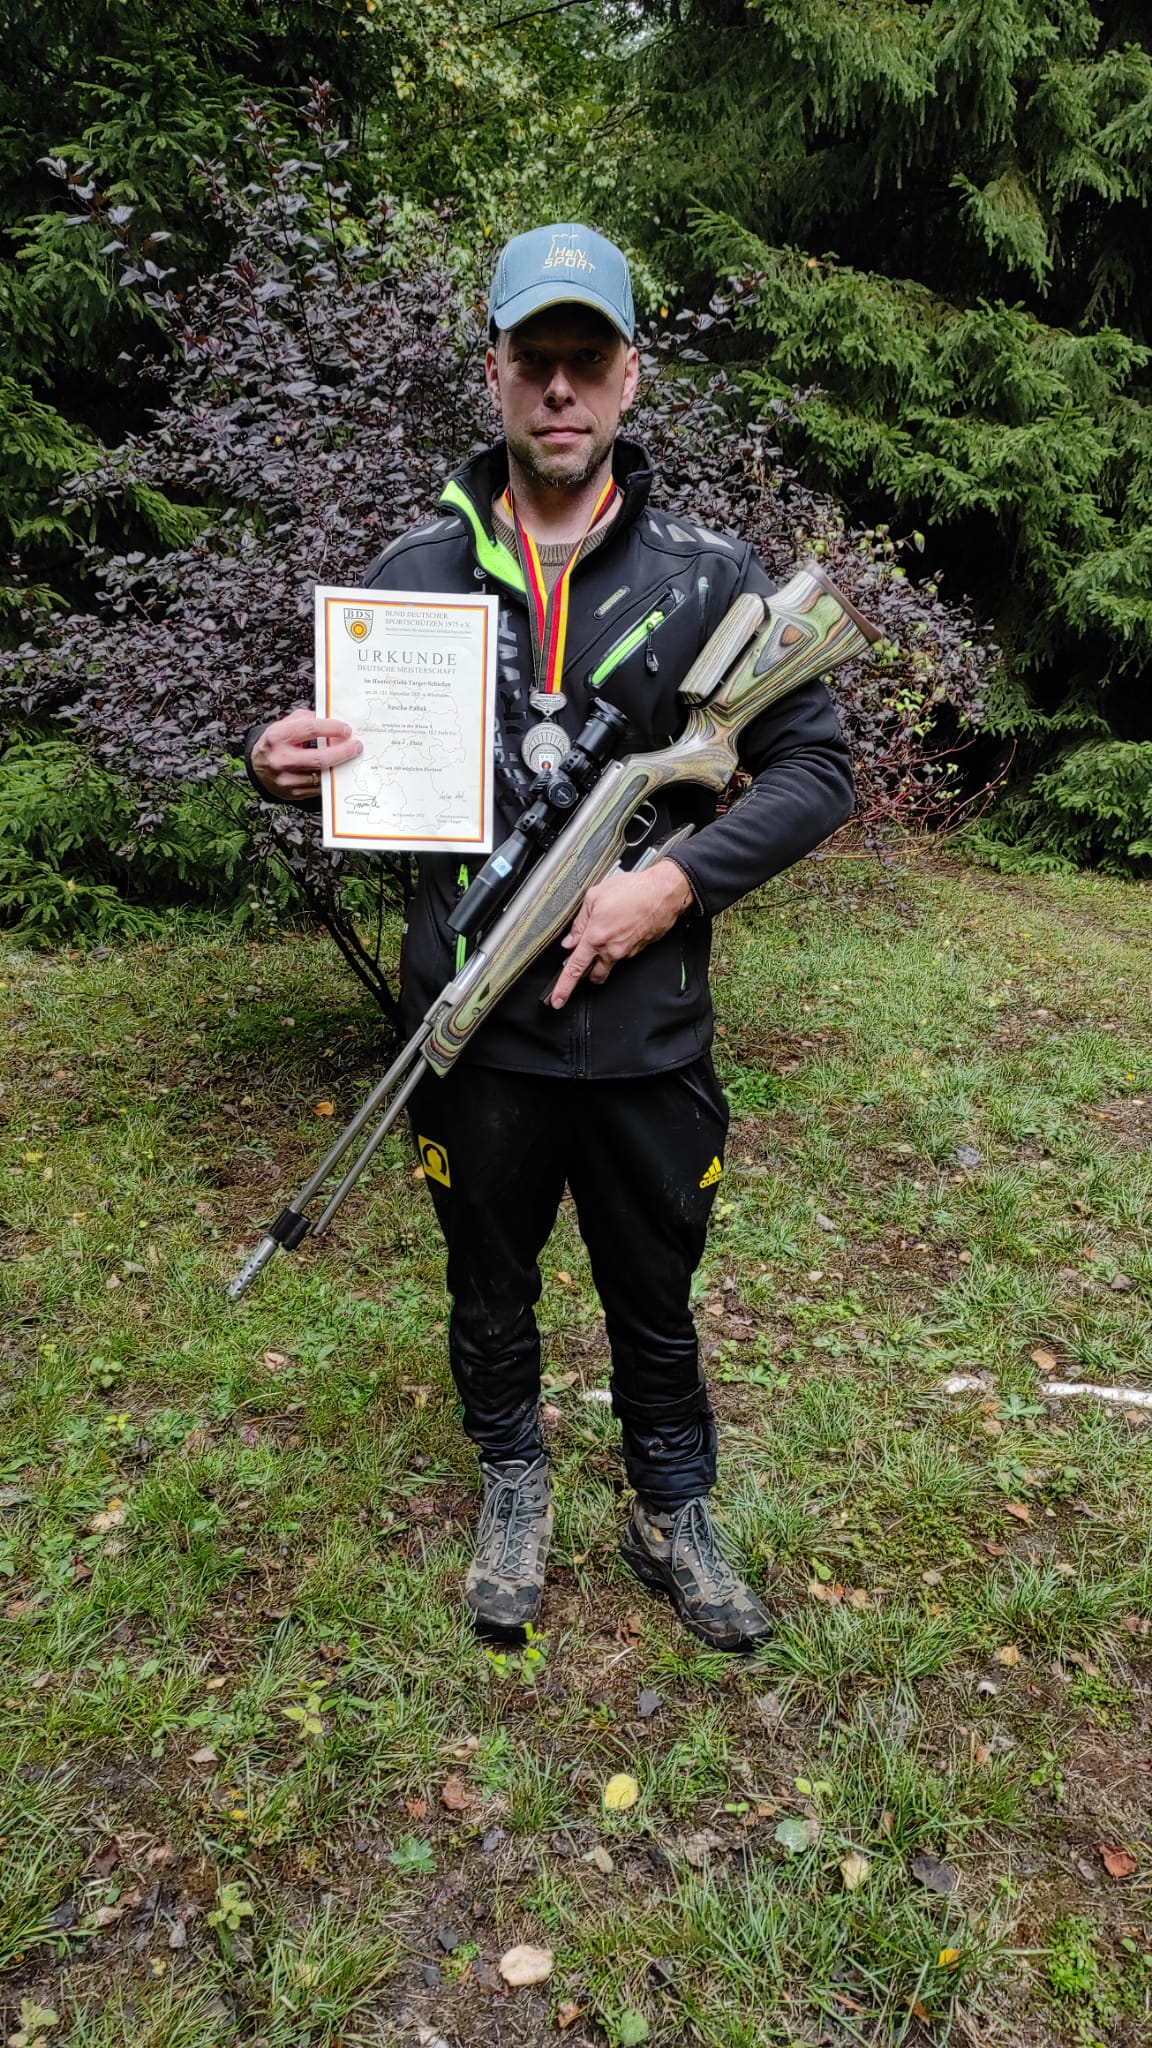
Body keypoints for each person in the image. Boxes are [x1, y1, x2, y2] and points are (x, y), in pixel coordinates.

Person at [245, 224, 855, 1652]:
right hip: (472, 1023)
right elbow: (343, 753)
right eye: (537, 361)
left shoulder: (712, 575)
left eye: (590, 360)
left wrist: (676, 884)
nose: (562, 390)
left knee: (656, 1285)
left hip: (647, 1030)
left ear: (632, 376)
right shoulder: (410, 568)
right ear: (496, 374)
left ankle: (671, 1502)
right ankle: (513, 1479)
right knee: (487, 1275)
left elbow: (816, 767)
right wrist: (275, 759)